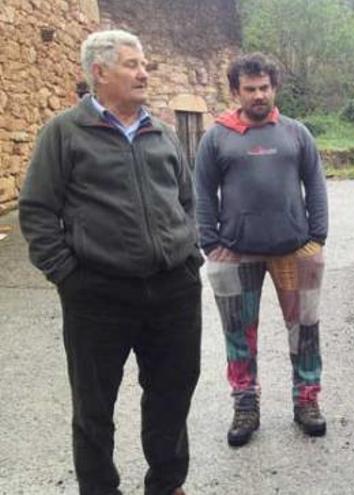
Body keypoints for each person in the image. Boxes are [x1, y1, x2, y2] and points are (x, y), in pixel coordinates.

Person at [19, 30, 202, 495]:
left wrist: (189, 255)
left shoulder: (160, 131)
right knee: (94, 405)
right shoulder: (63, 133)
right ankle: (99, 487)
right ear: (99, 72)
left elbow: (186, 199)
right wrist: (67, 274)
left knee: (171, 392)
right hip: (98, 293)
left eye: (144, 64)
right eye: (131, 64)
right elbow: (38, 209)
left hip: (172, 289)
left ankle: (167, 482)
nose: (143, 73)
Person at [195, 53, 329, 446]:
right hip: (235, 255)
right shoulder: (216, 137)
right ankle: (245, 405)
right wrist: (210, 242)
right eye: (250, 89)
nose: (258, 95)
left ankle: (306, 401)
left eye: (264, 88)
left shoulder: (296, 133)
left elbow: (316, 185)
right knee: (238, 334)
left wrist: (316, 238)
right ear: (236, 91)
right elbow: (202, 192)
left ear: (274, 89)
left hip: (295, 251)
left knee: (304, 329)